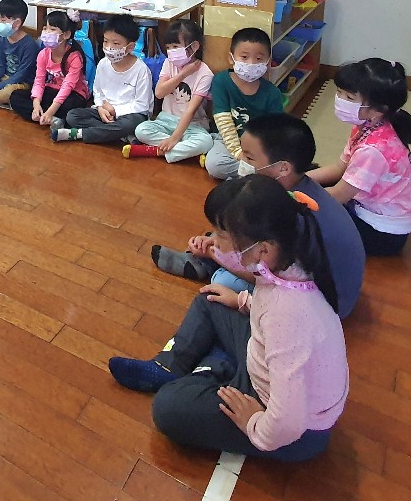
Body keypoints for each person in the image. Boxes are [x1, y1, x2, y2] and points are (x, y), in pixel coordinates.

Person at [110, 175, 348, 461]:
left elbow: (289, 423)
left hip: (292, 431)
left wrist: (253, 423)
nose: (215, 240)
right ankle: (170, 366)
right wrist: (241, 302)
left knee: (167, 407)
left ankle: (212, 370)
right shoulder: (291, 261)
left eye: (222, 235)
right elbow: (270, 311)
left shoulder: (287, 316)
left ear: (263, 249)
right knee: (210, 300)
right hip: (266, 367)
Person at [152, 114, 366, 318]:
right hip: (320, 281)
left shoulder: (289, 215)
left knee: (223, 281)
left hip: (325, 305)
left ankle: (207, 263)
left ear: (283, 168)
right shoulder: (296, 188)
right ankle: (206, 259)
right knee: (231, 233)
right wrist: (218, 241)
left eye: (249, 157)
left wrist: (216, 255)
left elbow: (274, 278)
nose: (241, 160)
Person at [307, 59, 411, 256]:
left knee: (304, 223)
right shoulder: (368, 124)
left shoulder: (373, 150)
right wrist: (299, 178)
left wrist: (293, 192)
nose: (340, 99)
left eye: (349, 97)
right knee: (308, 173)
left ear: (378, 109)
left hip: (381, 233)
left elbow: (338, 196)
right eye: (339, 92)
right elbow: (339, 168)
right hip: (366, 205)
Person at [49, 14, 150, 144]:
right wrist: (100, 108)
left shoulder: (141, 70)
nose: (108, 47)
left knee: (130, 124)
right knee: (72, 116)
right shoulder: (103, 63)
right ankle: (120, 135)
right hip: (104, 111)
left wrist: (116, 111)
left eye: (116, 43)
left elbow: (142, 105)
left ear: (130, 47)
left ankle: (79, 134)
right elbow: (98, 91)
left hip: (130, 114)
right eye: (106, 41)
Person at [127, 19, 214, 161]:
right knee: (141, 130)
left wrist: (174, 138)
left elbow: (191, 111)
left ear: (194, 46)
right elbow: (159, 93)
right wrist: (182, 75)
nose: (171, 52)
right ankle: (182, 150)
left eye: (176, 46)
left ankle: (156, 150)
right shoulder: (169, 63)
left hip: (193, 125)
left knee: (206, 142)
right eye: (168, 47)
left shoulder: (205, 73)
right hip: (166, 120)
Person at [204, 27, 283, 180]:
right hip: (227, 139)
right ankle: (260, 175)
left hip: (258, 145)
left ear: (268, 62)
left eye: (259, 58)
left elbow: (275, 130)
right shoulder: (221, 81)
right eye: (244, 57)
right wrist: (239, 153)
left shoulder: (272, 93)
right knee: (215, 165)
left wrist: (255, 154)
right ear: (231, 58)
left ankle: (252, 174)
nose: (251, 63)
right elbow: (223, 121)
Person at [8, 10, 90, 125]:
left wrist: (51, 111)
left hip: (73, 94)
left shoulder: (74, 57)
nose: (47, 32)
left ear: (66, 34)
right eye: (45, 28)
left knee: (71, 107)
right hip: (52, 90)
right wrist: (36, 105)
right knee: (16, 96)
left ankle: (47, 116)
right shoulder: (43, 54)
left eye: (52, 29)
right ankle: (50, 118)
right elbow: (39, 81)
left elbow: (67, 86)